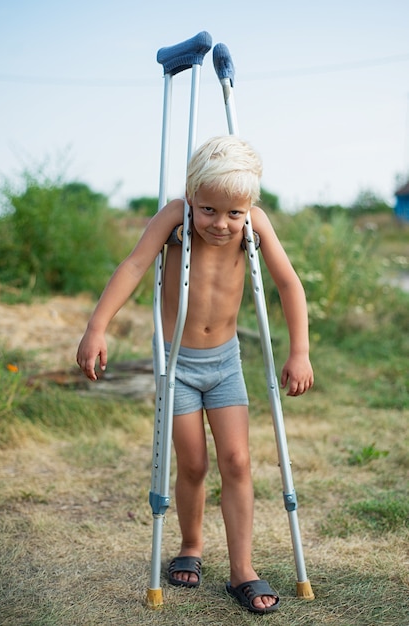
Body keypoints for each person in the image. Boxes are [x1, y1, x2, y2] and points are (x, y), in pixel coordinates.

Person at [76, 135, 313, 615]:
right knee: (193, 465)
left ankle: (242, 570)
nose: (220, 224)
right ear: (191, 196)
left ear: (248, 206)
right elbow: (135, 265)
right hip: (178, 363)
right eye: (208, 210)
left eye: (233, 213)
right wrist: (96, 327)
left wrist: (300, 351)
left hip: (225, 363)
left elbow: (288, 282)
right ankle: (190, 545)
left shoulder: (255, 223)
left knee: (238, 461)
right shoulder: (174, 217)